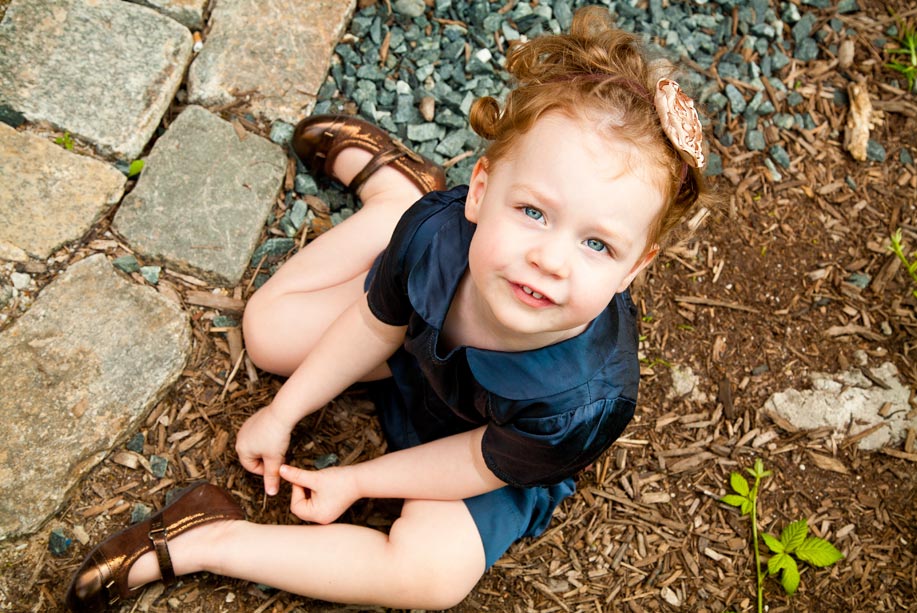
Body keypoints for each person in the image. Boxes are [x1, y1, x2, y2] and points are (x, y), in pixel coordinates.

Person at [66, 6, 714, 612]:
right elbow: (373, 323)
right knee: (267, 332)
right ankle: (394, 202)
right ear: (481, 192)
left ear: (635, 267)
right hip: (415, 359)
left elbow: (473, 461)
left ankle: (206, 538)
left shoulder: (583, 396)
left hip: (484, 449)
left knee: (432, 573)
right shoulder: (439, 237)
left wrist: (359, 480)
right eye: (533, 211)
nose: (552, 258)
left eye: (597, 243)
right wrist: (285, 407)